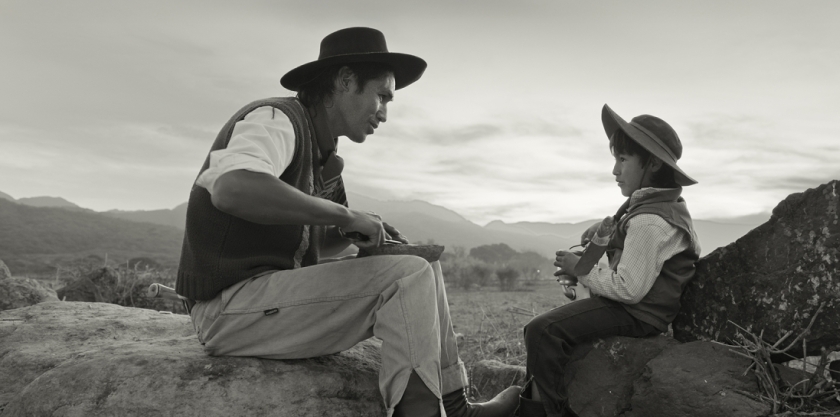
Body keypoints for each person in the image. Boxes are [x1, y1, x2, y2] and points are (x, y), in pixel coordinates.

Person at [175, 27, 519, 417]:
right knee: (405, 277)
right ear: (345, 81)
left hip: (267, 298)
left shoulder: (326, 158)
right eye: (382, 96)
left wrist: (363, 234)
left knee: (424, 266)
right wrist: (345, 214)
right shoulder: (275, 119)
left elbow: (316, 238)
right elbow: (233, 189)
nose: (385, 113)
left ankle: (455, 407)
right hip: (228, 309)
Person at [516, 105, 702, 417]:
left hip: (639, 313)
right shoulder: (658, 207)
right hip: (641, 309)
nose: (615, 170)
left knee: (542, 331)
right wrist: (608, 235)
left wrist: (582, 268)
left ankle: (540, 412)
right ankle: (535, 402)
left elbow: (630, 289)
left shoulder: (650, 222)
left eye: (623, 159)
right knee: (547, 329)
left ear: (653, 164)